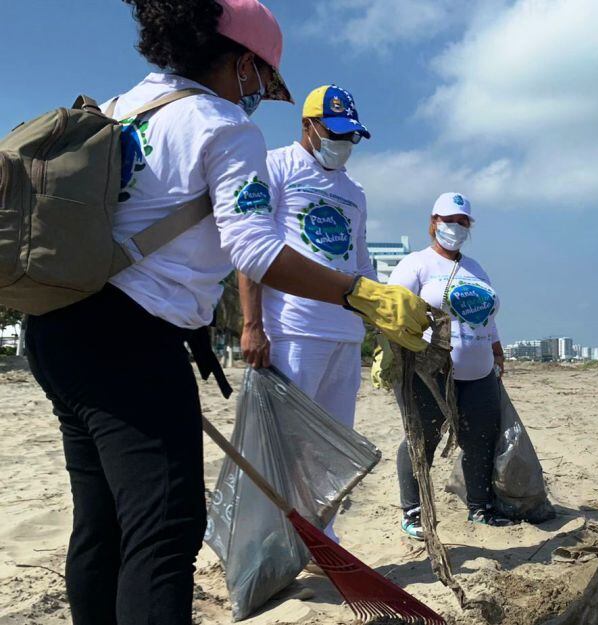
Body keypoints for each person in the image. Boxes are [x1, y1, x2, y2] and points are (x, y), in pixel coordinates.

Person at [23, 2, 427, 623]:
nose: (261, 96)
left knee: (100, 521)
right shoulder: (223, 125)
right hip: (130, 342)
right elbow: (255, 248)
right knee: (164, 531)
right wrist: (360, 292)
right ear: (242, 64)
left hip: (58, 326)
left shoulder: (120, 107)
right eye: (264, 81)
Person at [238, 83, 377, 542]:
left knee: (333, 449)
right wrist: (252, 325)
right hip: (293, 331)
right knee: (288, 446)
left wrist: (382, 324)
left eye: (351, 136)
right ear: (308, 126)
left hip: (345, 335)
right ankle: (277, 540)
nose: (343, 144)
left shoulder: (355, 193)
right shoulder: (274, 167)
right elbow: (250, 250)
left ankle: (324, 536)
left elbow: (362, 268)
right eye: (334, 132)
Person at [389, 192, 512, 538]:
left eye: (462, 222)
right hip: (429, 373)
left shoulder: (475, 269)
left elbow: (486, 318)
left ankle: (480, 507)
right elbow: (392, 312)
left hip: (479, 370)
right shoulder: (415, 265)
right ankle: (413, 511)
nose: (455, 228)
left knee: (481, 437)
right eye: (448, 220)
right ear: (433, 223)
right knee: (421, 436)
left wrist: (498, 351)